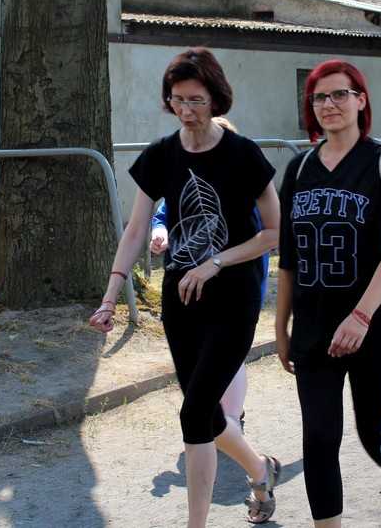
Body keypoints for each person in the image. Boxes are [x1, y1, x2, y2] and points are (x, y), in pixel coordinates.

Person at [89, 47, 282, 526]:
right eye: (178, 99)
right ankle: (260, 470)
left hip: (234, 298)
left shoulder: (242, 153)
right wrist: (110, 296)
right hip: (181, 301)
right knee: (204, 413)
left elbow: (275, 232)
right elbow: (137, 229)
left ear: (216, 99)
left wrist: (215, 262)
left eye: (196, 100)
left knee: (194, 414)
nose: (187, 110)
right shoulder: (160, 155)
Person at [276, 60, 381, 528]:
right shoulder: (298, 169)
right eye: (318, 97)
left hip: (377, 329)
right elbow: (289, 259)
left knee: (378, 442)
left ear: (361, 100)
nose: (328, 104)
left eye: (339, 94)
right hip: (314, 330)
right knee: (319, 440)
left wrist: (361, 316)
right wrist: (281, 328)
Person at [150, 116, 269, 432]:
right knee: (202, 362)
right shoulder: (187, 179)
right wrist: (160, 233)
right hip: (192, 287)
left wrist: (221, 262)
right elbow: (163, 215)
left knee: (229, 356)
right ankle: (214, 423)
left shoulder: (245, 180)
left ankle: (232, 420)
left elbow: (267, 234)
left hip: (238, 286)